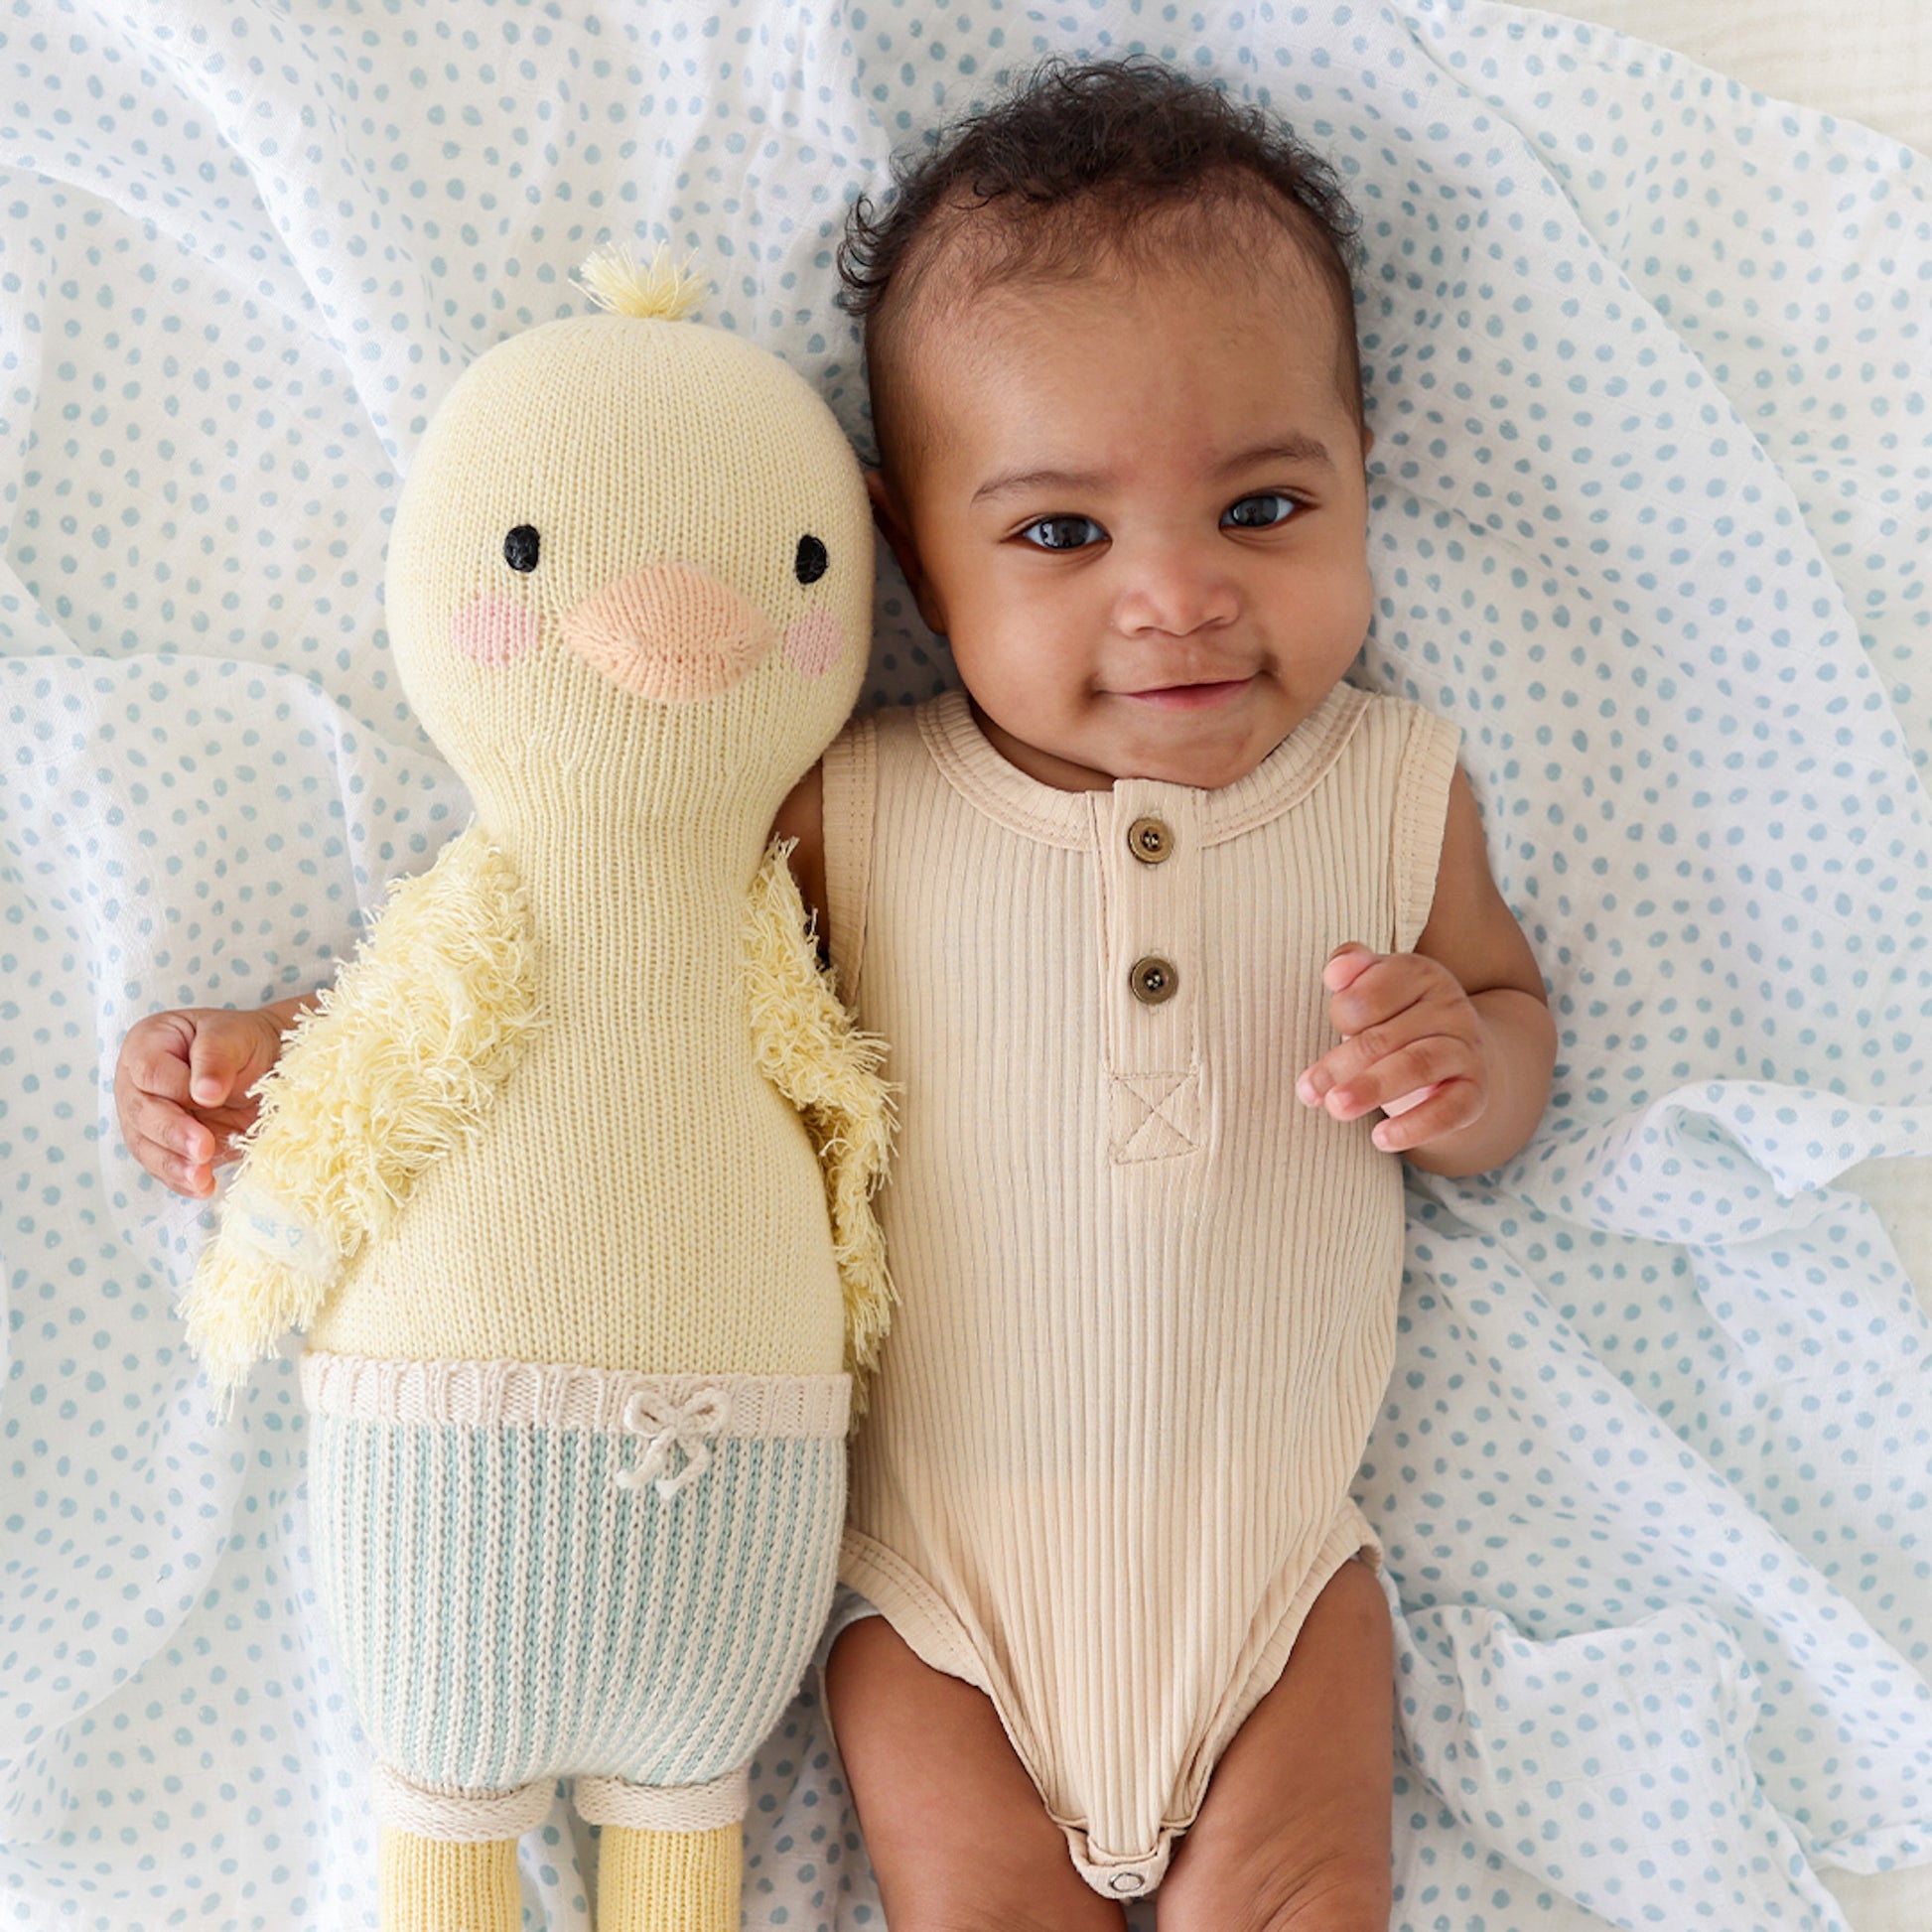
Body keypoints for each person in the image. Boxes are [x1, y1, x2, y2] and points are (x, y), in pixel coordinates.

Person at [116, 59, 1556, 1932]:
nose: (1179, 597)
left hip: (1278, 1587)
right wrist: (297, 1055)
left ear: (1365, 468)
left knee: (1306, 1894)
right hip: (931, 1598)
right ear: (908, 553)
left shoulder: (1390, 784)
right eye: (1060, 535)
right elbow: (589, 978)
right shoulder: (855, 809)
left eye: (1266, 506)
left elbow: (1513, 1028)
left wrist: (1466, 1065)